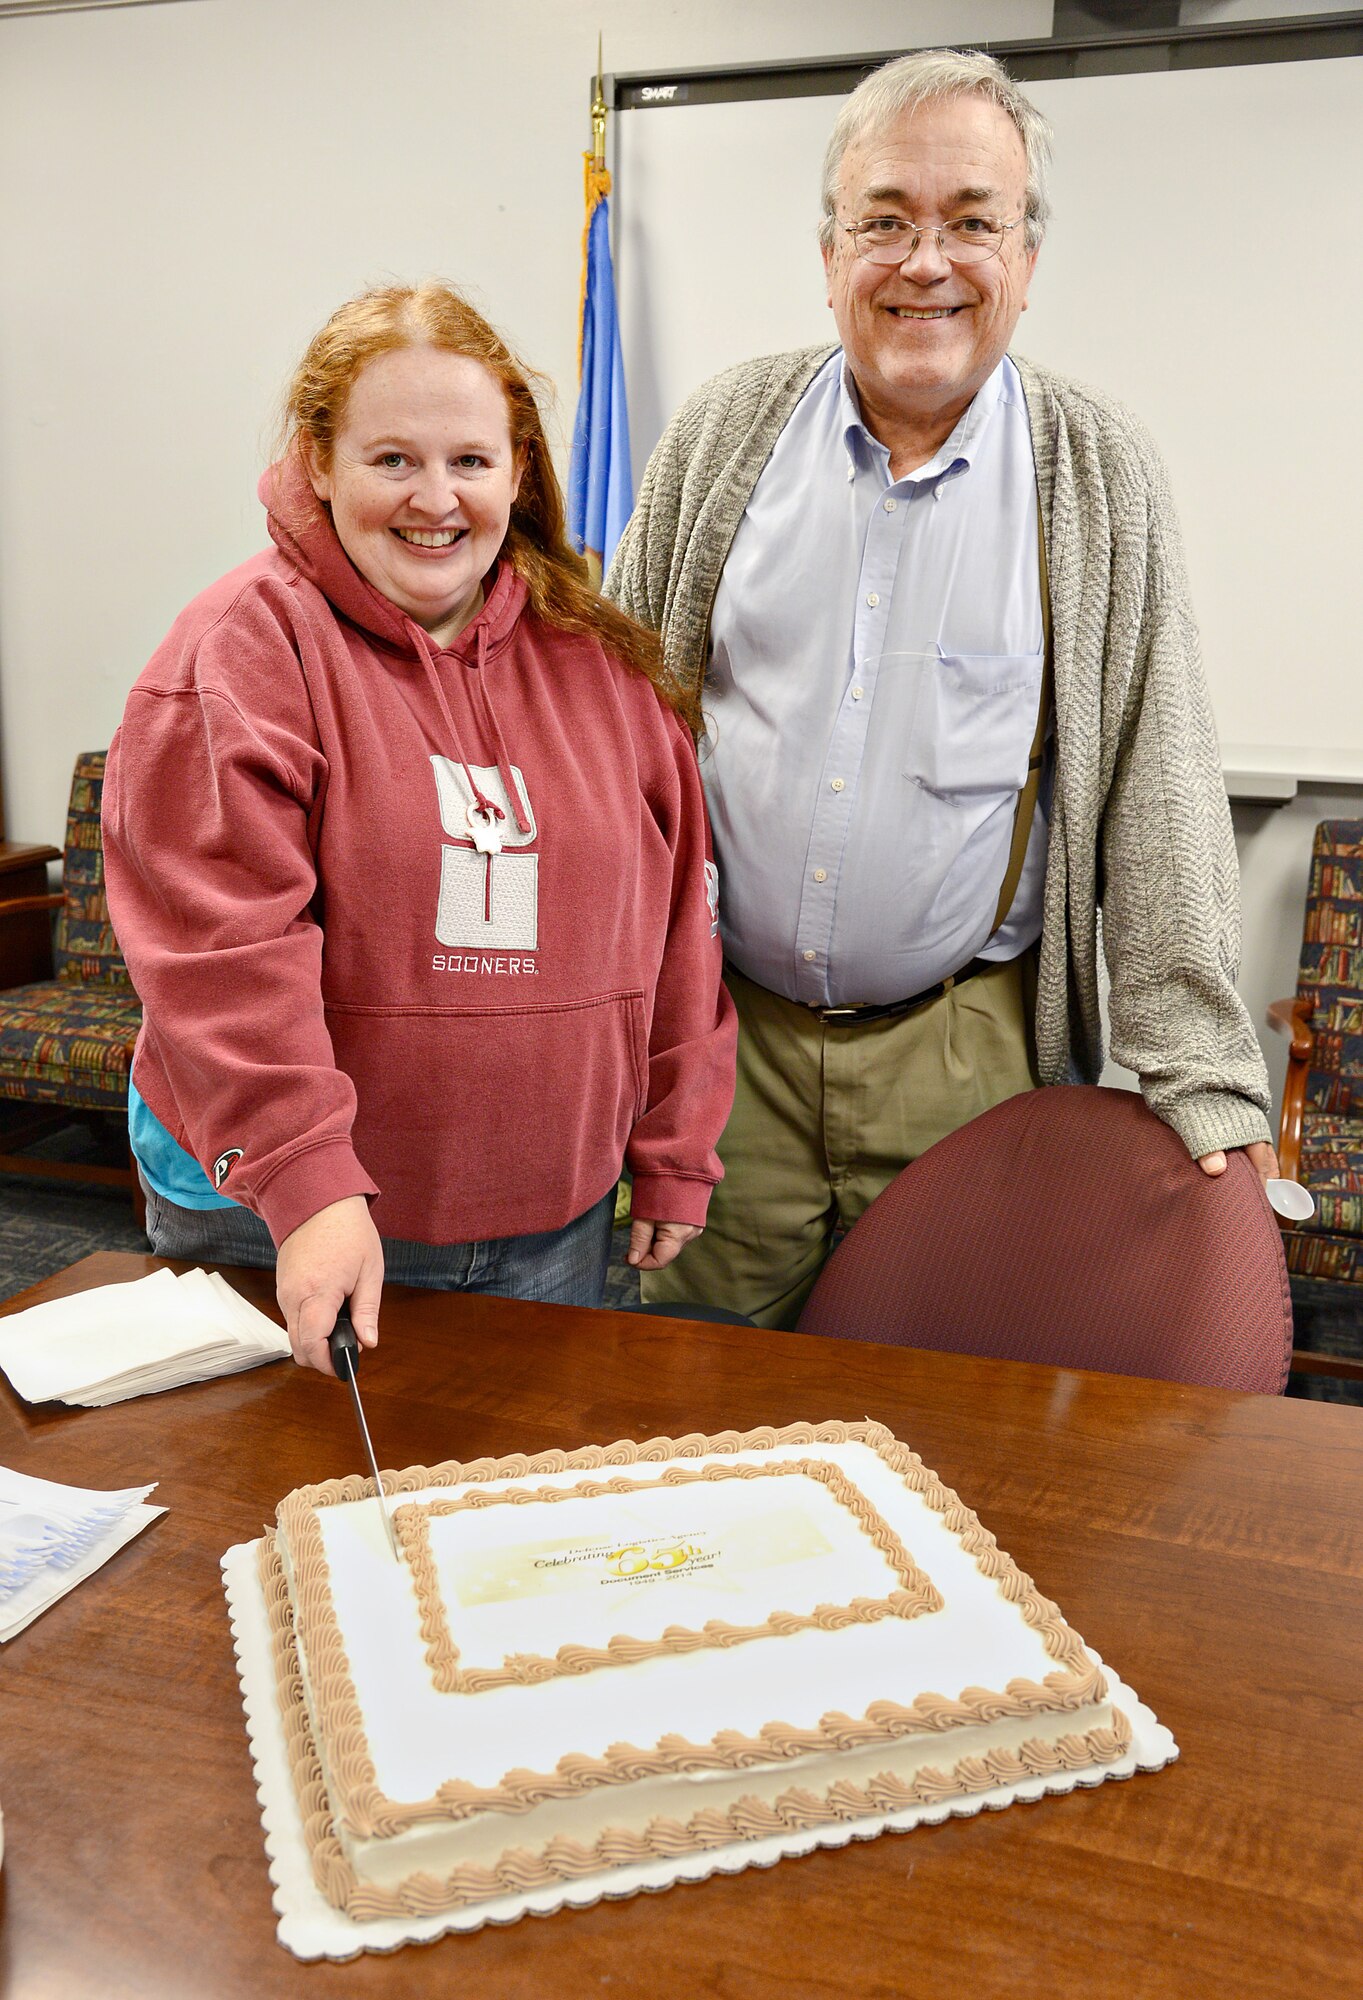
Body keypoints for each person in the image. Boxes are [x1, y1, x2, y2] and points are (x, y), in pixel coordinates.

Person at [608, 48, 1276, 1329]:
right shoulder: (722, 430)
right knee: (679, 1409)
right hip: (716, 1050)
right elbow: (612, 727)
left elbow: (1161, 776)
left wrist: (1200, 1066)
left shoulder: (1096, 467)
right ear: (827, 250)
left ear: (1025, 258)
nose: (927, 263)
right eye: (885, 222)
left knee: (946, 1433)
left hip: (967, 1057)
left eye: (972, 222)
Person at [103, 284, 736, 1371]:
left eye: (471, 462)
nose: (435, 499)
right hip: (282, 1215)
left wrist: (675, 1143)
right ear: (318, 461)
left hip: (553, 1216)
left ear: (519, 473)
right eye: (392, 459)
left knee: (509, 1520)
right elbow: (222, 959)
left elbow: (676, 923)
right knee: (270, 1523)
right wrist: (307, 1184)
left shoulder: (602, 668)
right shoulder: (240, 654)